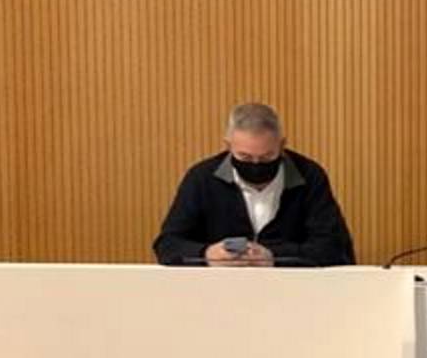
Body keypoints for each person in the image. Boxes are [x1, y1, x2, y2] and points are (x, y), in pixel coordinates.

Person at [153, 102, 356, 267]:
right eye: (245, 157)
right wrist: (206, 254)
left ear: (282, 145)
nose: (256, 165)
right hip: (217, 290)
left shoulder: (309, 176)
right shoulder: (202, 178)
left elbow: (334, 248)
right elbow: (168, 245)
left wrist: (273, 256)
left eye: (267, 157)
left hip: (292, 289)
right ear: (228, 146)